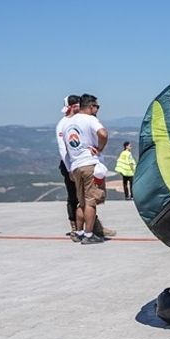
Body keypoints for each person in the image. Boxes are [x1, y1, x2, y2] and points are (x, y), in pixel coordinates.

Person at [62, 94, 109, 244]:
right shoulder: (90, 119)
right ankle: (89, 235)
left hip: (76, 166)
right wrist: (99, 148)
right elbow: (103, 133)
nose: (97, 109)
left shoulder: (67, 124)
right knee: (91, 201)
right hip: (89, 164)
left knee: (81, 202)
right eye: (97, 107)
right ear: (90, 107)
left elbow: (66, 147)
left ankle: (79, 232)